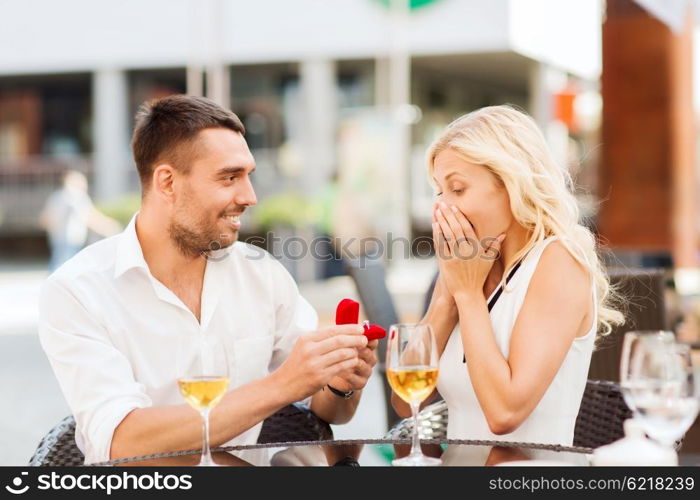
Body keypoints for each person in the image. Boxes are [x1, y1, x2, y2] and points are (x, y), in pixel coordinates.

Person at [38, 95, 377, 466]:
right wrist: (283, 384)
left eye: (249, 176)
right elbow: (122, 441)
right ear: (167, 182)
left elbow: (328, 413)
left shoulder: (260, 274)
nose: (249, 197)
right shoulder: (78, 291)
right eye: (229, 177)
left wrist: (339, 382)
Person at [391, 105, 624, 446]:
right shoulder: (468, 267)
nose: (442, 208)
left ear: (511, 184)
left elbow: (504, 414)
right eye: (439, 192)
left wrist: (468, 296)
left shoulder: (558, 261)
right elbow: (405, 400)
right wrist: (446, 298)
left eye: (457, 189)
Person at [39, 170, 122, 271]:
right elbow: (90, 217)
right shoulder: (77, 197)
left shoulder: (57, 197)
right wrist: (109, 227)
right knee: (63, 267)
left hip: (58, 238)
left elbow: (45, 219)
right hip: (71, 239)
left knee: (60, 265)